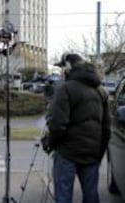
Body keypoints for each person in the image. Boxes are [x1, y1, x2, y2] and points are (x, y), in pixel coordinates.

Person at [45, 53, 111, 203]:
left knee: (63, 196)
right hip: (92, 154)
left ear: (68, 68)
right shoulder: (101, 91)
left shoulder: (65, 89)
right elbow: (106, 128)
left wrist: (51, 143)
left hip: (67, 153)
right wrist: (98, 154)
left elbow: (57, 125)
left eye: (62, 68)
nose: (61, 72)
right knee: (91, 196)